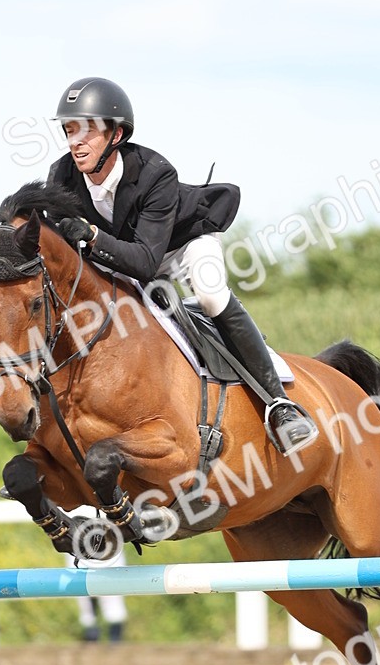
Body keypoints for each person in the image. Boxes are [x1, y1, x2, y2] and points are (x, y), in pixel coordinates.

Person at [48, 76, 318, 456]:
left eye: (87, 130)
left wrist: (92, 237)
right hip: (122, 252)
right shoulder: (61, 176)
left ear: (117, 134)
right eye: (70, 130)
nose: (76, 141)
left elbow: (146, 262)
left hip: (182, 244)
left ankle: (280, 404)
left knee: (209, 295)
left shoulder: (154, 172)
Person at [64, 549, 128, 643]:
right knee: (85, 603)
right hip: (79, 554)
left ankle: (115, 638)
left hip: (109, 554)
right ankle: (92, 636)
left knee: (112, 599)